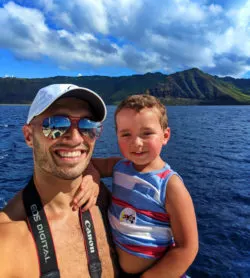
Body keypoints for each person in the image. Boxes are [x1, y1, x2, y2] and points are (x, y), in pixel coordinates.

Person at [0, 83, 119, 278]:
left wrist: (93, 172)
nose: (74, 138)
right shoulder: (8, 239)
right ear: (29, 136)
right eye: (55, 125)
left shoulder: (104, 200)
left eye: (87, 125)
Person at [78, 94, 199, 277]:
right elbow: (86, 162)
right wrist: (93, 177)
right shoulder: (118, 167)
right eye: (126, 134)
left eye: (147, 133)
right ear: (117, 136)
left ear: (165, 136)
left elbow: (187, 248)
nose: (136, 143)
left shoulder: (170, 185)